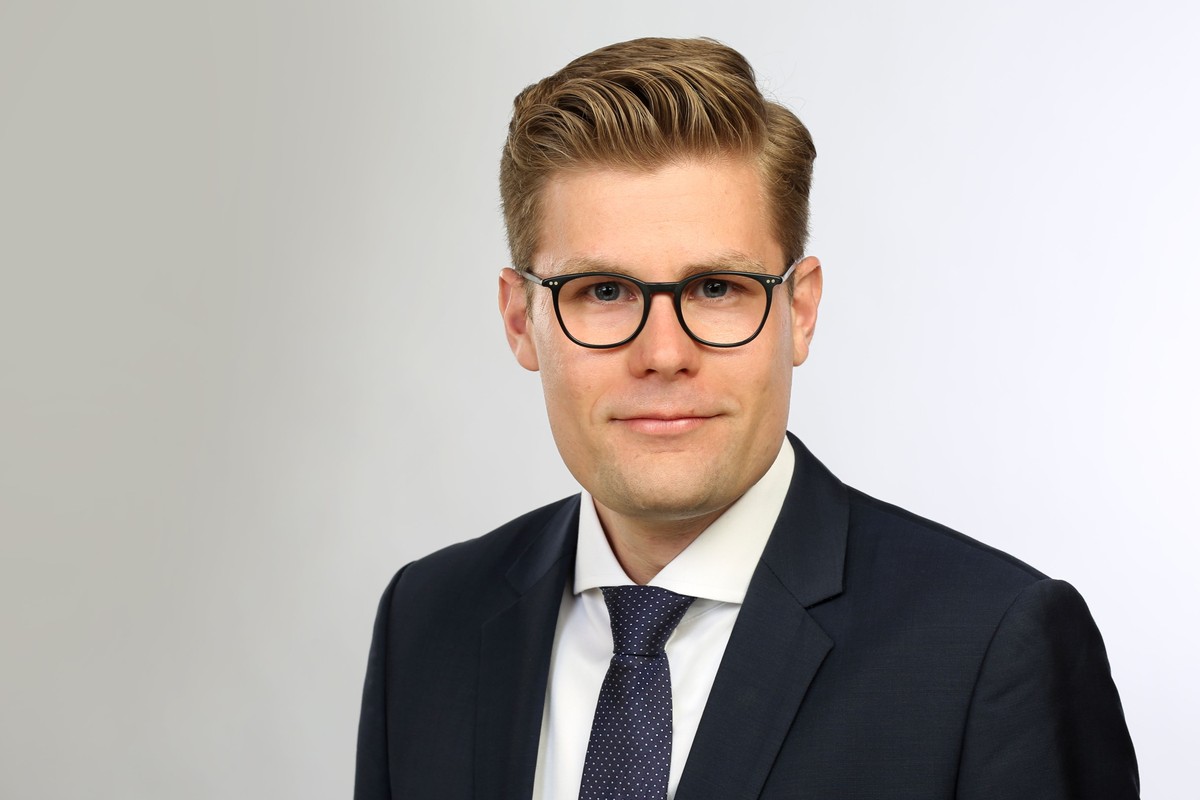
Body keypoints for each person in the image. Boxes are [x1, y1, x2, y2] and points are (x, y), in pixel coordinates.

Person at [354, 37, 1138, 799]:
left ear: (800, 311)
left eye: (716, 289)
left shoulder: (991, 648)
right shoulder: (426, 622)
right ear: (520, 320)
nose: (664, 354)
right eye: (603, 291)